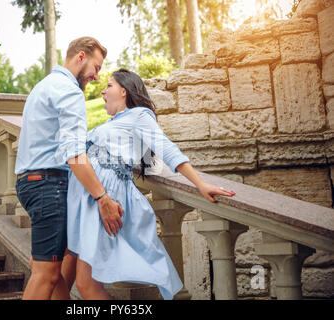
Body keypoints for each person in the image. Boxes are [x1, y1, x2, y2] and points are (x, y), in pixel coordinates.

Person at [67, 68, 236, 300]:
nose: (103, 91)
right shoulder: (117, 122)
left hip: (105, 197)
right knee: (63, 277)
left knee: (86, 285)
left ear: (124, 91)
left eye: (109, 86)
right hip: (85, 198)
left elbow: (166, 148)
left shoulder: (140, 116)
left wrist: (200, 184)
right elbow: (146, 163)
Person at [14, 37, 123, 300]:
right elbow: (74, 155)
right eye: (96, 68)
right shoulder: (69, 91)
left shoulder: (44, 86)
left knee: (51, 270)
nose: (96, 77)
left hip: (32, 183)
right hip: (48, 187)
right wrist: (102, 198)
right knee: (47, 274)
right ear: (81, 57)